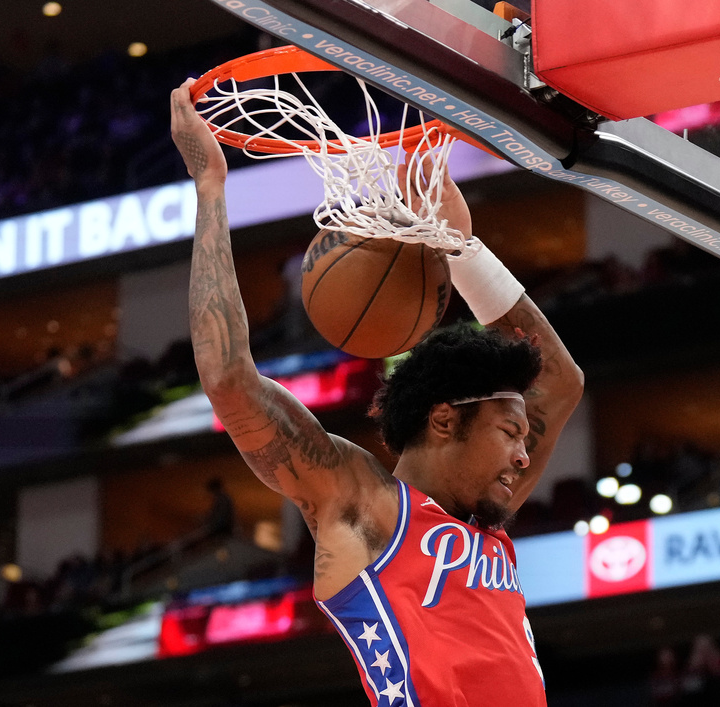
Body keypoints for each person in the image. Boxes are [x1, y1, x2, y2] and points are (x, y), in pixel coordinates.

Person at [170, 79, 584, 706]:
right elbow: (228, 377)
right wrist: (210, 188)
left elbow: (560, 379)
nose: (526, 457)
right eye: (509, 434)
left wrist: (461, 250)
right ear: (445, 421)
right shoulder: (360, 506)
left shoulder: (484, 518)